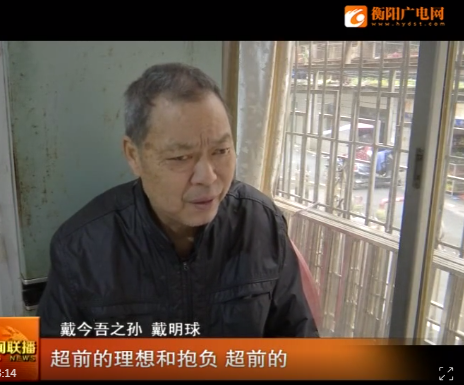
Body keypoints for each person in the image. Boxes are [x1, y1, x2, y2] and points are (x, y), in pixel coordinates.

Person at [37, 62, 320, 338]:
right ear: (134, 155)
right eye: (180, 157)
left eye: (221, 151)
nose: (208, 177)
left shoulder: (261, 222)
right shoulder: (80, 248)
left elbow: (299, 341)